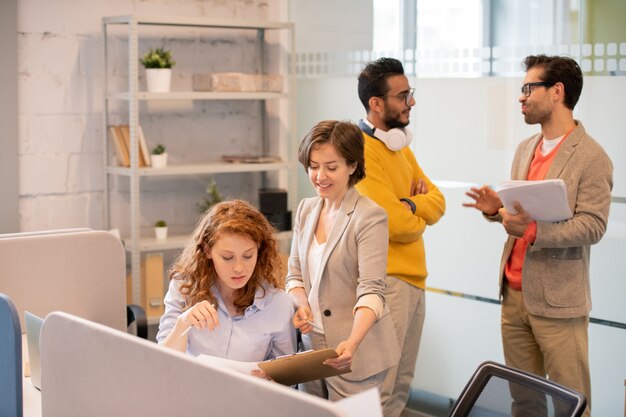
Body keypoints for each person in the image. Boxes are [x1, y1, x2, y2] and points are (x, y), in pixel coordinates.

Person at [463, 54, 613, 417]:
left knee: (571, 405)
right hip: (514, 295)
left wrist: (532, 230)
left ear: (557, 91)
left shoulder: (592, 157)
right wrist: (494, 210)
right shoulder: (524, 149)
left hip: (559, 302)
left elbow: (593, 225)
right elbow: (518, 215)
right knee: (523, 402)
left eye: (529, 88)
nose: (521, 97)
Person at [354, 57, 446, 417]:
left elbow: (438, 201)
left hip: (413, 281)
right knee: (380, 387)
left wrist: (412, 203)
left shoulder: (399, 146)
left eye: (410, 93)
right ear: (376, 104)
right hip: (388, 282)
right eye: (403, 95)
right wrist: (415, 210)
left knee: (400, 386)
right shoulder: (362, 151)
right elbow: (395, 224)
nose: (412, 102)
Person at [285, 120, 400, 403]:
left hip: (356, 348)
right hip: (312, 345)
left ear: (352, 166)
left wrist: (352, 342)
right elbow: (294, 276)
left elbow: (372, 290)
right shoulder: (306, 209)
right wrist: (301, 305)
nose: (320, 176)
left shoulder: (369, 216)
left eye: (331, 167)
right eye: (313, 166)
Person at [157, 199, 296, 365]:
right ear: (207, 251)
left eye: (248, 256)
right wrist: (183, 323)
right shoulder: (184, 287)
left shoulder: (278, 303)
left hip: (248, 391)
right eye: (227, 257)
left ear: (259, 250)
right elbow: (162, 363)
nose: (239, 268)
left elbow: (285, 376)